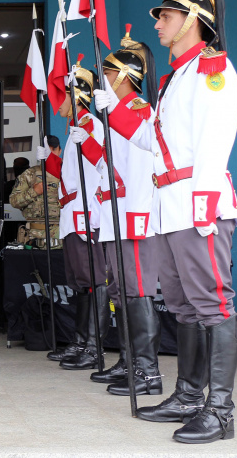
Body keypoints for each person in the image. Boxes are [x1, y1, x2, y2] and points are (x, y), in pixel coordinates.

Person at [95, 0, 237, 444]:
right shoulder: (178, 77)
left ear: (194, 19)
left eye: (167, 16)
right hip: (170, 206)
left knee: (212, 304)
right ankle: (189, 396)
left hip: (196, 204)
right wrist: (114, 109)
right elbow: (152, 143)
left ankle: (220, 412)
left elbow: (215, 141)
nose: (158, 24)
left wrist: (203, 207)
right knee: (183, 307)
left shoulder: (212, 70)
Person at [77, 27, 161, 395]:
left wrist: (137, 217)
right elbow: (109, 168)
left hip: (132, 215)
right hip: (115, 215)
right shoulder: (116, 115)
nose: (102, 80)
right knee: (119, 292)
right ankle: (129, 361)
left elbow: (141, 171)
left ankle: (147, 371)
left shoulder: (138, 111)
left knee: (136, 293)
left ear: (125, 76)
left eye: (108, 73)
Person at [39, 57, 109, 370]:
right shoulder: (76, 130)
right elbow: (71, 174)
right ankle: (81, 342)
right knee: (80, 281)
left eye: (63, 95)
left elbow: (103, 162)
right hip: (71, 213)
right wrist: (50, 160)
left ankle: (94, 347)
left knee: (93, 280)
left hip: (85, 214)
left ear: (77, 95)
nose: (58, 103)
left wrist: (88, 142)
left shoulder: (91, 125)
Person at [8, 136, 61, 249]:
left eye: (53, 150)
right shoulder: (30, 174)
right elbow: (14, 201)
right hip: (35, 238)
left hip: (63, 238)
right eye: (47, 150)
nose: (50, 153)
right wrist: (34, 192)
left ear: (60, 151)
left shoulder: (68, 173)